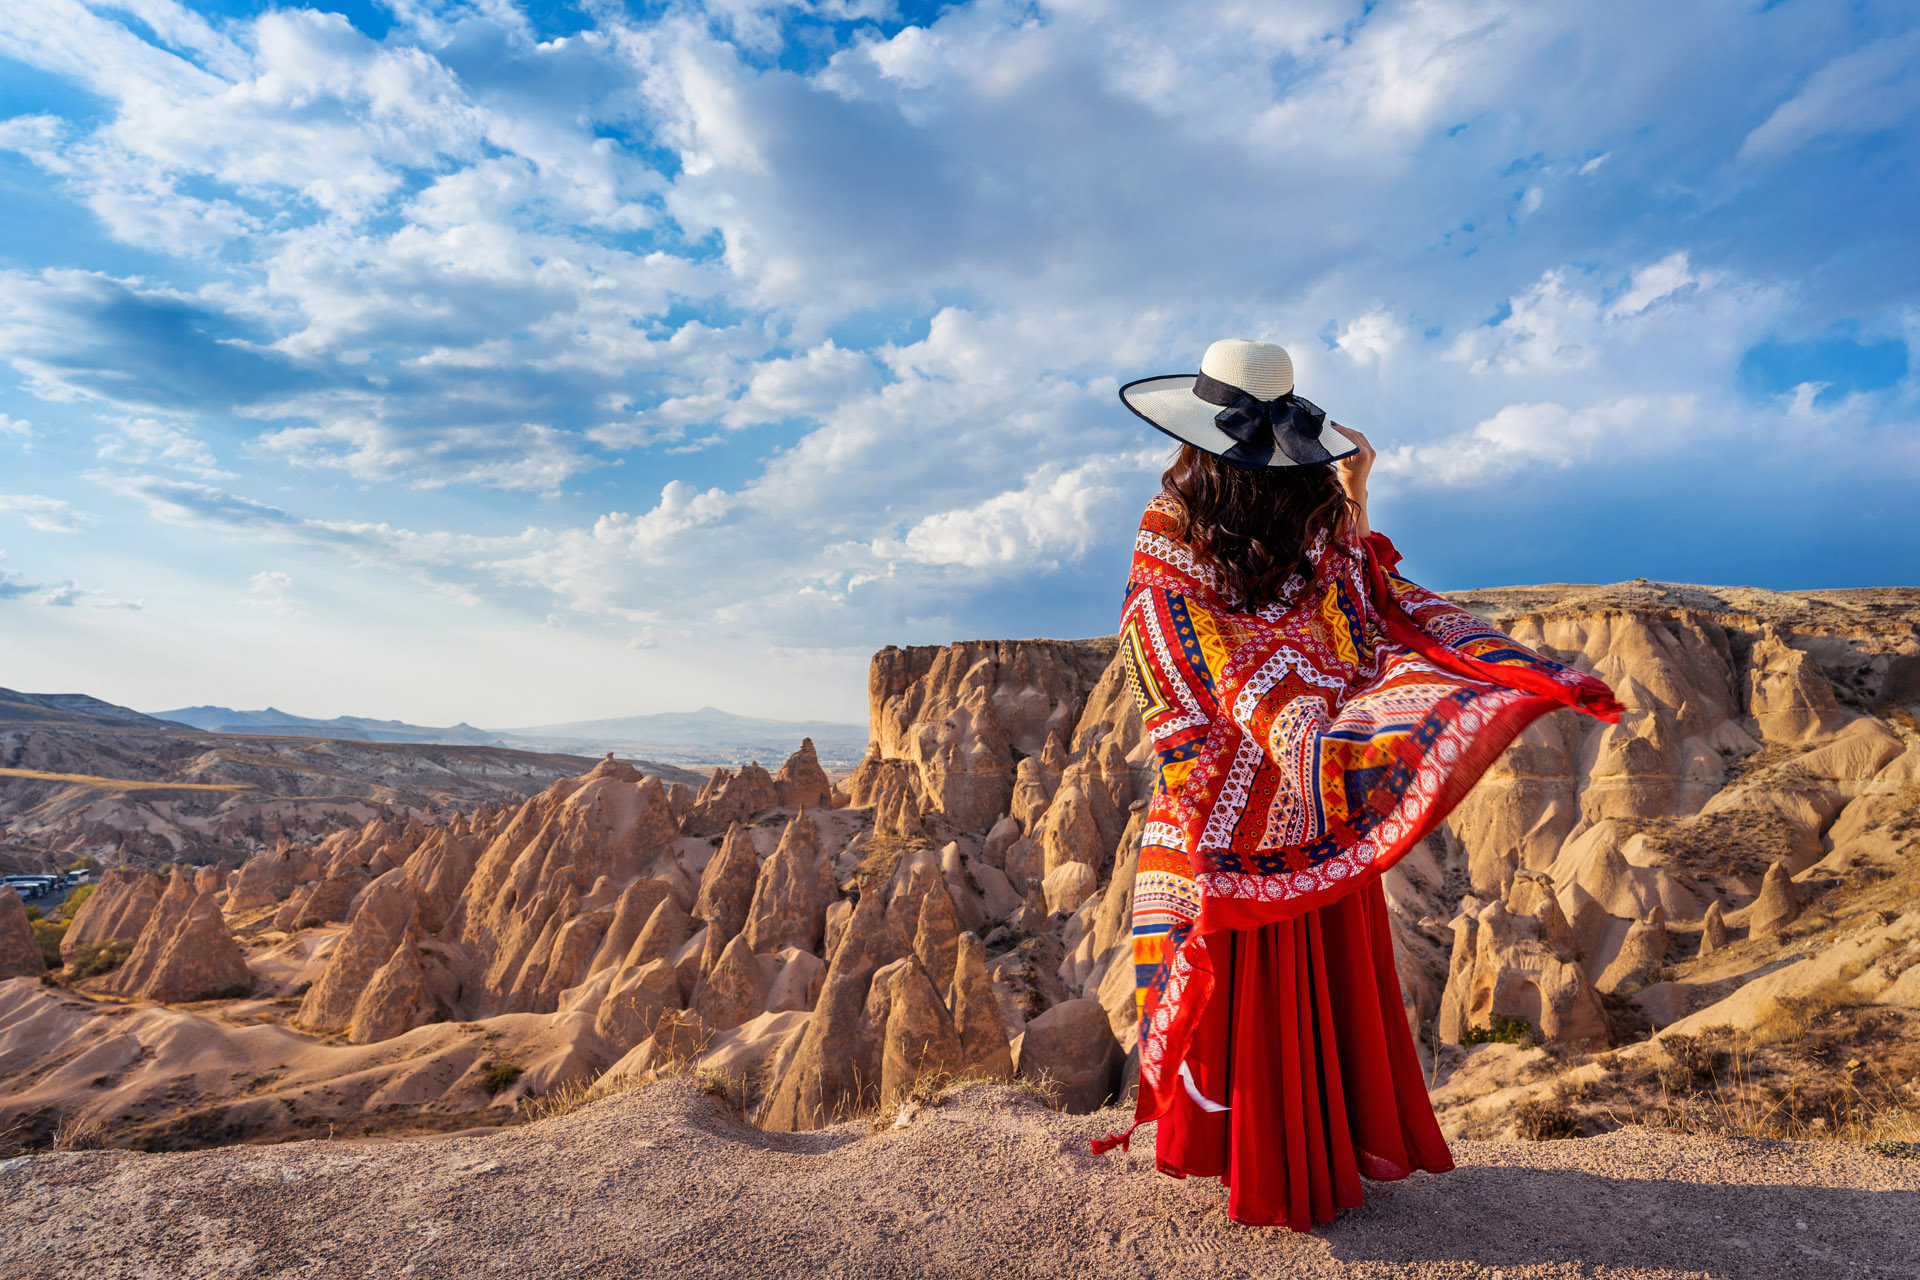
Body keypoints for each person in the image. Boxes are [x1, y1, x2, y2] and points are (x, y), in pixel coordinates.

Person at [1093, 339, 1623, 1229]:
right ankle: (1310, 1160)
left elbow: (1189, 665)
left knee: (1244, 989)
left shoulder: (1171, 539)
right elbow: (1370, 616)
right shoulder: (1318, 533)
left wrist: (1287, 736)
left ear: (1197, 446)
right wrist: (1324, 745)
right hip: (1314, 811)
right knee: (1308, 990)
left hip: (1223, 809)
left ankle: (1260, 1166)